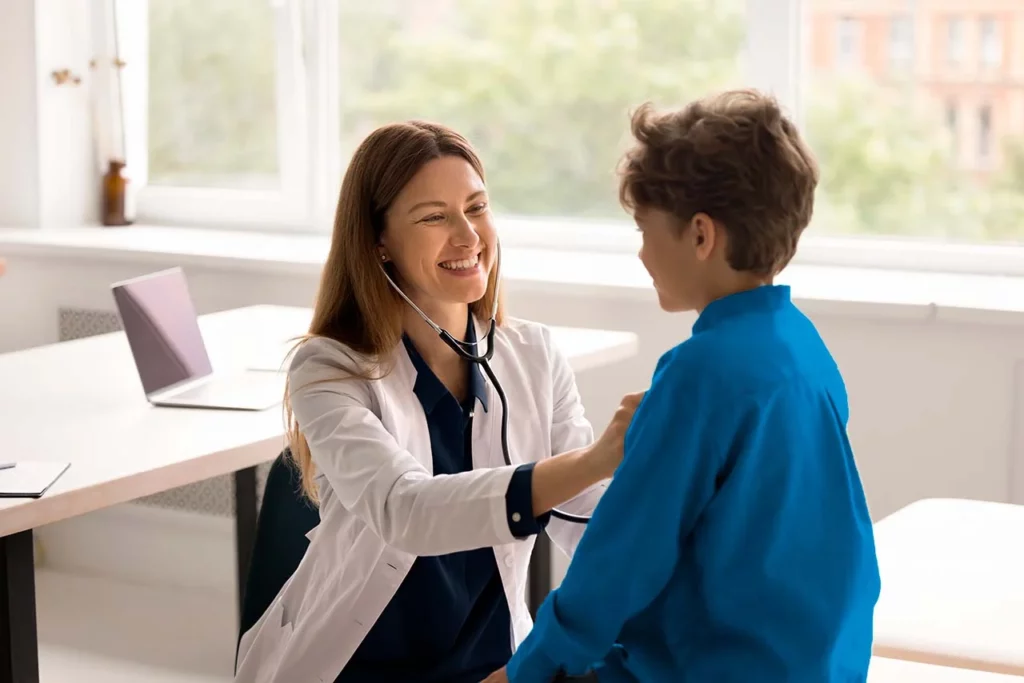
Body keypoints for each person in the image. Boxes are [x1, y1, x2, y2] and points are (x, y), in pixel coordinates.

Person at [485, 89, 881, 683]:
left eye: (645, 229)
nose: (642, 252)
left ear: (701, 236)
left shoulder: (699, 372)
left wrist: (526, 672)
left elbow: (620, 561)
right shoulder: (803, 347)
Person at [233, 120, 642, 683]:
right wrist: (596, 458)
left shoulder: (534, 354)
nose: (468, 236)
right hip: (357, 663)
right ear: (379, 242)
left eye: (476, 207)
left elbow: (586, 515)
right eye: (434, 216)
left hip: (491, 664)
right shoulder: (330, 370)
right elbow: (407, 511)